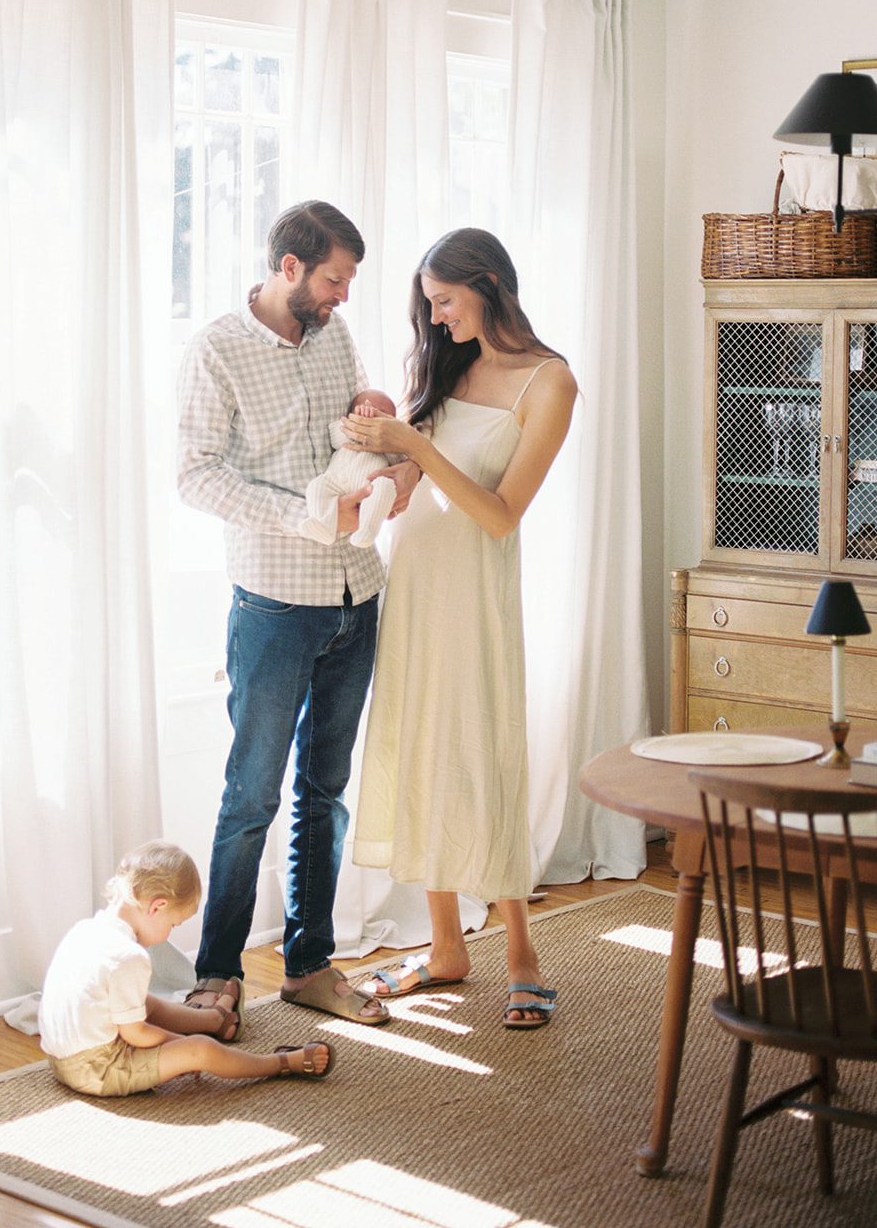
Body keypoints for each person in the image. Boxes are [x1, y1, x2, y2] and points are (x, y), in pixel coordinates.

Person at [177, 200, 414, 1027]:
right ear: (288, 268)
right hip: (275, 603)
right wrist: (307, 517)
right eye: (334, 279)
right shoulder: (216, 348)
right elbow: (195, 476)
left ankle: (310, 966)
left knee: (327, 789)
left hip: (357, 596)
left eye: (348, 281)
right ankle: (217, 974)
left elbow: (354, 428)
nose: (343, 296)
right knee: (251, 796)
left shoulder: (332, 336)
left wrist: (385, 454)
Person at [347, 227, 578, 1029]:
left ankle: (521, 953)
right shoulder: (448, 364)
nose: (436, 320)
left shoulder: (548, 382)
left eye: (443, 301)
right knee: (420, 753)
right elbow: (423, 479)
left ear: (485, 284)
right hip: (412, 588)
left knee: (484, 758)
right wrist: (389, 467)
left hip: (473, 598)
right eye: (429, 307)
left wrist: (416, 444)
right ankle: (445, 947)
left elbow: (499, 515)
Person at [37, 840, 334, 1093]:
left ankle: (214, 1020)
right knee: (201, 1050)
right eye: (173, 925)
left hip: (58, 1058)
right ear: (158, 906)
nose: (170, 933)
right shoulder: (129, 956)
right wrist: (183, 1045)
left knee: (145, 1002)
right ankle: (281, 1063)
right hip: (97, 1069)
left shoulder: (87, 930)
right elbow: (136, 1034)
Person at [301, 389, 400, 549]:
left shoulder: (390, 444)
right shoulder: (343, 429)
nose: (374, 414)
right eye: (367, 408)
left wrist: (388, 439)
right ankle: (324, 525)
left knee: (386, 487)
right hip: (336, 482)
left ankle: (367, 531)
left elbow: (397, 460)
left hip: (369, 486)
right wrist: (357, 425)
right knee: (316, 486)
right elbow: (335, 439)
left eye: (383, 413)